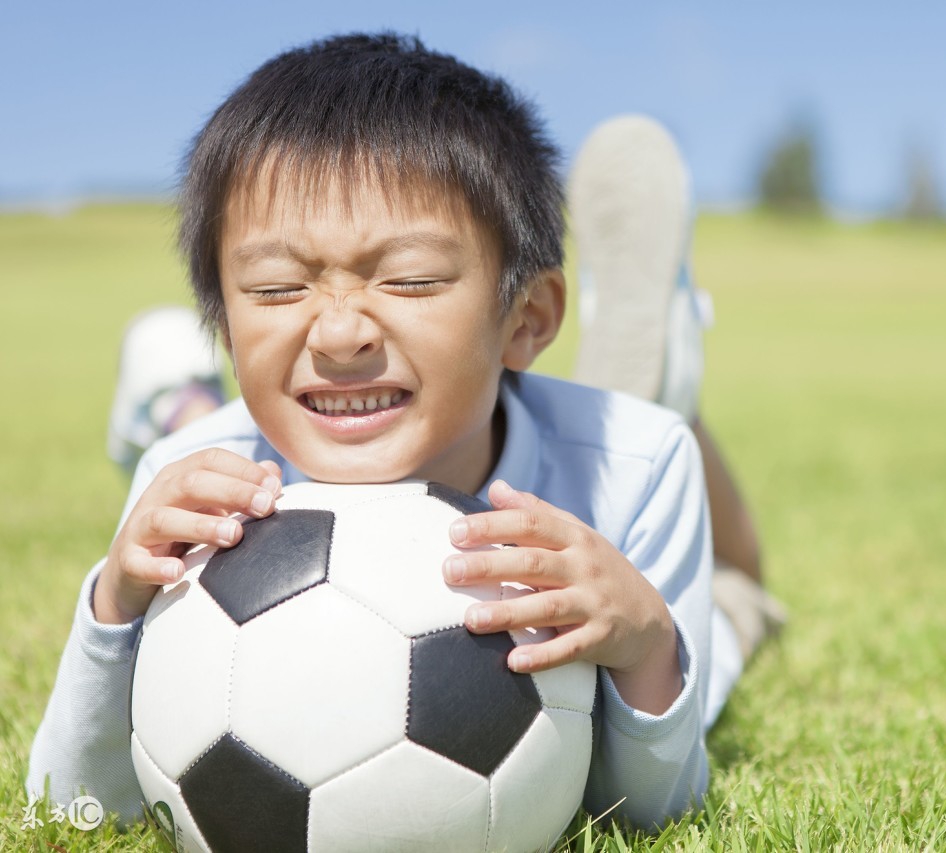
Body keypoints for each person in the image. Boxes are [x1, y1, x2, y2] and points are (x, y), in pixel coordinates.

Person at [27, 33, 781, 831]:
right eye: (278, 288)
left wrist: (648, 645)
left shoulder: (638, 468)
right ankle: (174, 398)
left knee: (734, 604)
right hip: (236, 431)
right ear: (223, 317)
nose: (340, 332)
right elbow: (72, 807)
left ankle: (666, 381)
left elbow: (651, 811)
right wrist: (115, 602)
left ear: (527, 318)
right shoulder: (182, 477)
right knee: (200, 433)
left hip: (602, 452)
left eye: (411, 278)